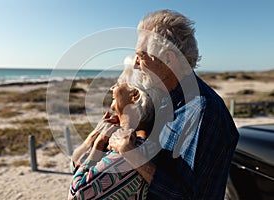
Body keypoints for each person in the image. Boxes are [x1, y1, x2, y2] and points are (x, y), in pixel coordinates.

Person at [108, 10, 240, 199]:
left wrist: (130, 153)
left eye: (141, 55)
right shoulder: (163, 97)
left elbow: (187, 195)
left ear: (169, 59)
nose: (136, 65)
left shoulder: (204, 112)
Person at [68, 57, 164, 200]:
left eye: (119, 83)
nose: (112, 87)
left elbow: (77, 194)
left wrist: (98, 147)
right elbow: (75, 166)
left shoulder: (129, 152)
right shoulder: (130, 140)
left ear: (134, 95)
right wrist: (94, 137)